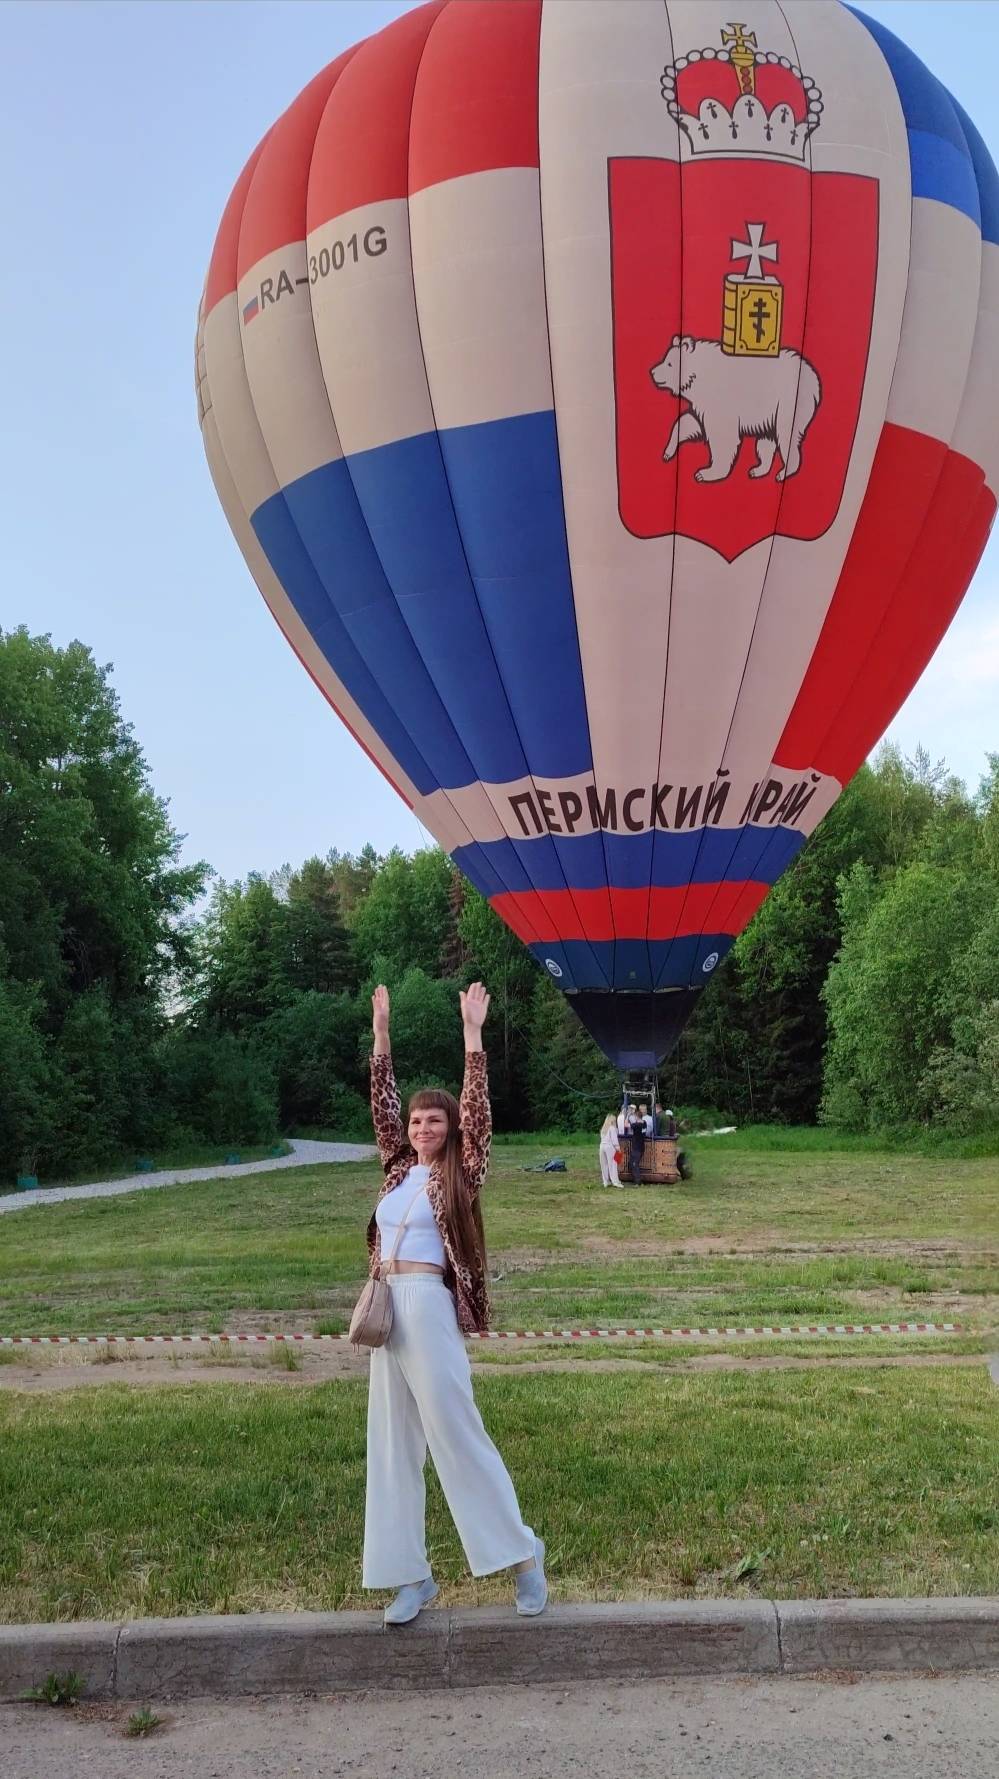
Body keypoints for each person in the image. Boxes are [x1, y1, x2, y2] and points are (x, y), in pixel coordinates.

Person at [362, 981, 548, 1626]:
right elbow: (382, 1104)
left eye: (433, 1120)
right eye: (416, 1120)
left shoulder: (463, 1173)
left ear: (450, 1129)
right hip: (388, 1313)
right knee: (391, 1445)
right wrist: (382, 1034)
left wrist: (473, 1036)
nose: (422, 1127)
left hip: (431, 1308)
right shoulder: (395, 1169)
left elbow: (479, 1111)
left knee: (455, 1432)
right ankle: (409, 1576)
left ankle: (522, 1555)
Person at [599, 1113, 623, 1188]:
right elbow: (614, 1140)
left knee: (604, 1164)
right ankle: (615, 1181)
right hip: (609, 1147)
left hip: (602, 1146)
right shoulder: (612, 1128)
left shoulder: (603, 1128)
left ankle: (606, 1181)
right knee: (612, 1164)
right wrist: (618, 1148)